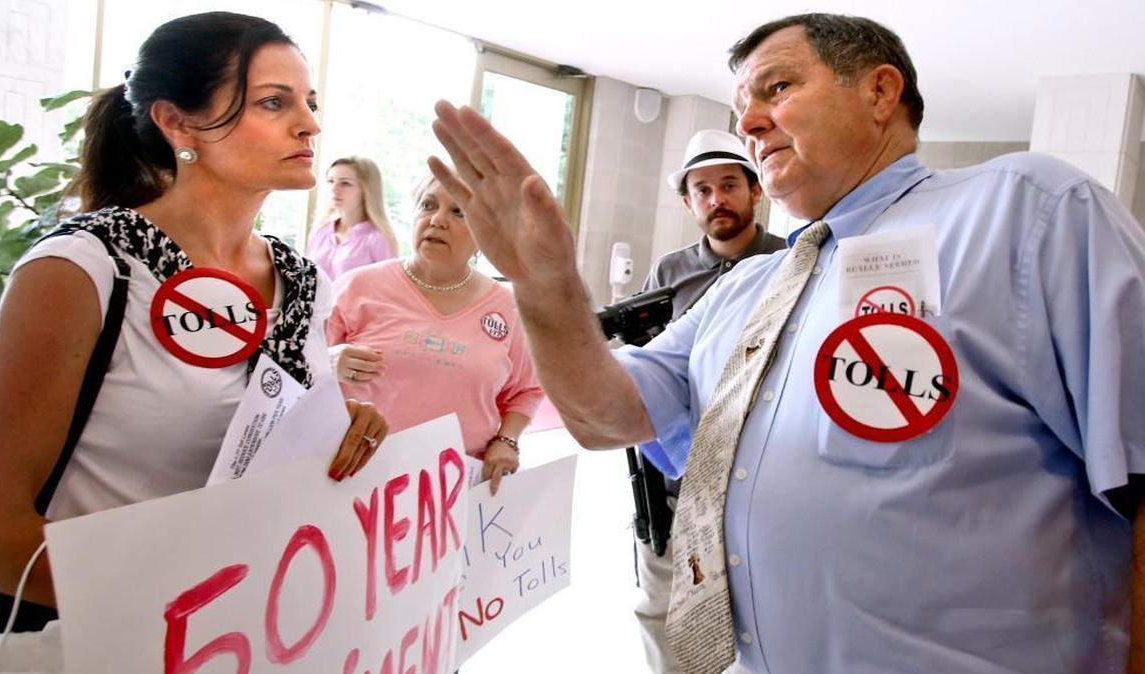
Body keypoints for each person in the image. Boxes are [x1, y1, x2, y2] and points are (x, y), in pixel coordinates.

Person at [427, 12, 1145, 674]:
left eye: (777, 87)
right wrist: (542, 284)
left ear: (879, 91)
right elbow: (603, 416)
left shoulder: (1024, 211)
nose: (752, 123)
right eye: (742, 113)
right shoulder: (744, 290)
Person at [0, 12, 388, 632]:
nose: (310, 124)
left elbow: (264, 447)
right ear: (177, 121)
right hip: (99, 640)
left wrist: (339, 431)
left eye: (309, 102)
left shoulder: (303, 283)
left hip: (258, 634)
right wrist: (177, 604)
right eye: (271, 102)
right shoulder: (87, 268)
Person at [632, 129, 786, 674]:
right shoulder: (670, 274)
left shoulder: (792, 262)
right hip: (674, 482)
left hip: (762, 471)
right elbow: (648, 364)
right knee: (662, 607)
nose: (716, 199)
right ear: (688, 202)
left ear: (755, 190)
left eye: (728, 185)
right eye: (702, 190)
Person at [326, 175, 544, 495]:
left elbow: (527, 391)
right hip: (357, 475)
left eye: (459, 212)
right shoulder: (356, 286)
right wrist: (331, 360)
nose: (438, 220)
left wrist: (507, 441)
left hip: (455, 487)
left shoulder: (509, 308)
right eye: (428, 205)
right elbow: (301, 372)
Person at [305, 156, 398, 281]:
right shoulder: (321, 231)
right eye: (330, 181)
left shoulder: (378, 238)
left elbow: (387, 287)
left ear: (366, 190)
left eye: (345, 183)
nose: (334, 189)